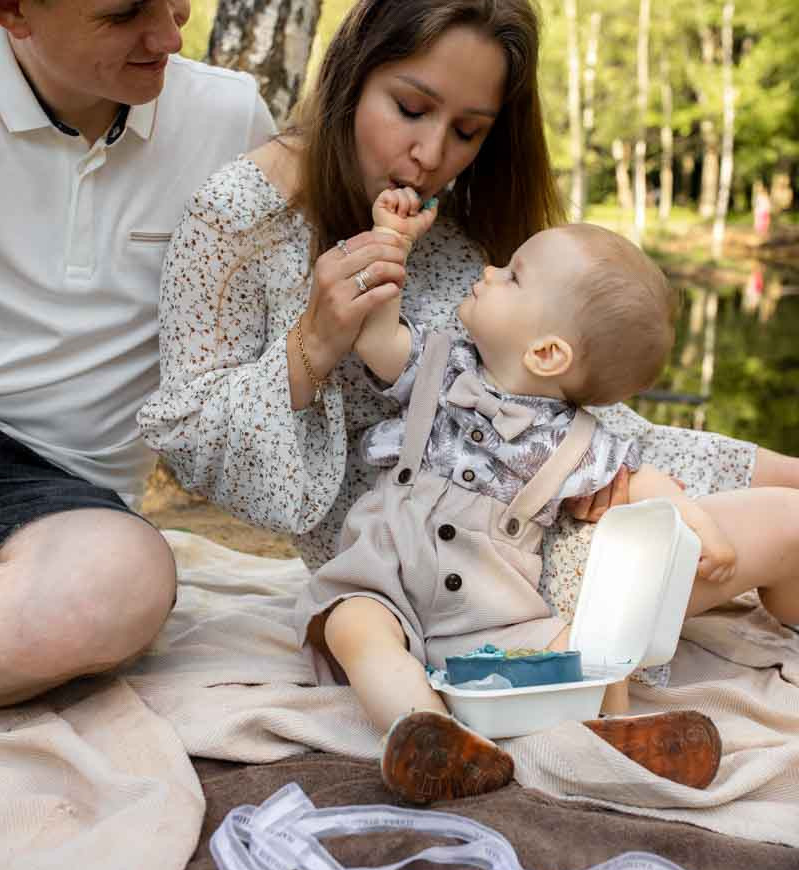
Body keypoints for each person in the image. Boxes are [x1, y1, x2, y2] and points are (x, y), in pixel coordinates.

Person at [139, 0, 799, 781]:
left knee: (775, 503)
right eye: (410, 107)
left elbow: (569, 427)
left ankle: (614, 722)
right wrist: (312, 345)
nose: (432, 154)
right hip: (396, 574)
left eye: (468, 132)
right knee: (763, 533)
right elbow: (194, 442)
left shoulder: (453, 232)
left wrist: (772, 466)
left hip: (526, 536)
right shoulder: (241, 216)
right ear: (353, 68)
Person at [293, 192, 799, 802]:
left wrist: (703, 531)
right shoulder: (437, 366)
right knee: (355, 629)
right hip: (384, 573)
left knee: (582, 653)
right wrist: (390, 241)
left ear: (546, 352)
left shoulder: (577, 441)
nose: (487, 273)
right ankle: (431, 735)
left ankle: (619, 735)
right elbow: (376, 333)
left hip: (493, 605)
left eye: (511, 277)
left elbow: (643, 483)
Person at [0, 0, 275, 705]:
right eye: (123, 14)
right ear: (13, 6)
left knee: (122, 585)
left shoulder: (233, 123)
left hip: (66, 501)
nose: (169, 33)